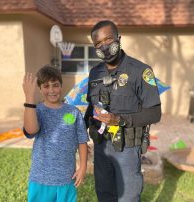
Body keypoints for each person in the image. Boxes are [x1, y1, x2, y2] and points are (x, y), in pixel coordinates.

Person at [84, 20, 162, 202]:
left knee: (128, 197)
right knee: (104, 195)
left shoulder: (141, 71)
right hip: (101, 146)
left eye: (108, 39)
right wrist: (80, 128)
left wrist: (119, 120)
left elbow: (154, 113)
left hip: (127, 147)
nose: (104, 46)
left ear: (119, 39)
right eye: (98, 44)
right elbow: (91, 106)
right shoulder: (94, 73)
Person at [22, 65, 89, 202]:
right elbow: (31, 130)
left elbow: (82, 141)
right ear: (40, 89)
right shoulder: (37, 111)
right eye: (46, 86)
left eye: (55, 85)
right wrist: (29, 97)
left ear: (61, 86)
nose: (51, 90)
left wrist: (83, 167)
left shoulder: (73, 112)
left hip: (66, 179)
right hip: (41, 179)